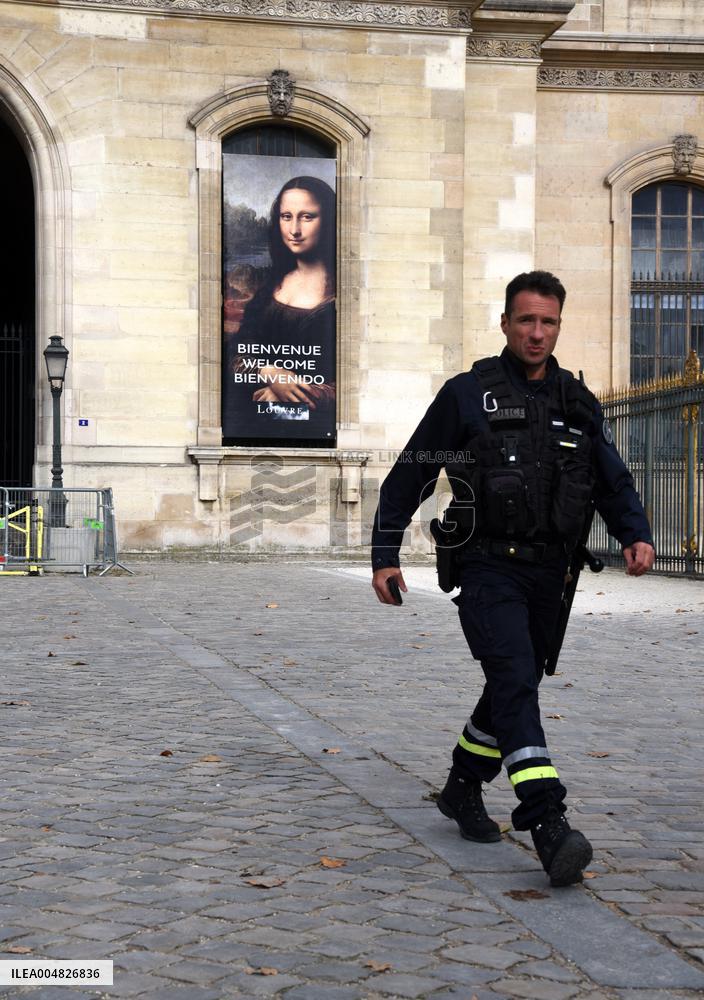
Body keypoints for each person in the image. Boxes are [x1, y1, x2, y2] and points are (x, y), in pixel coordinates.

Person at [370, 270, 655, 887]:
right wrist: (383, 554)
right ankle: (548, 821)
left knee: (515, 679)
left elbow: (610, 478)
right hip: (486, 565)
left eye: (547, 321)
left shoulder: (577, 405)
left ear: (558, 325)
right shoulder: (465, 394)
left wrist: (635, 532)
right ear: (505, 323)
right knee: (515, 681)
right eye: (525, 320)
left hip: (551, 573)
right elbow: (410, 473)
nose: (536, 332)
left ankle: (461, 784)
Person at [223, 175, 336, 439]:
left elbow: (351, 383)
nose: (294, 229)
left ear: (327, 219)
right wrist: (270, 372)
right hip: (248, 425)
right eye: (287, 216)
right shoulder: (268, 288)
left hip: (314, 428)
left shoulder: (340, 297)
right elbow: (235, 354)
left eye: (307, 217)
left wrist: (288, 391)